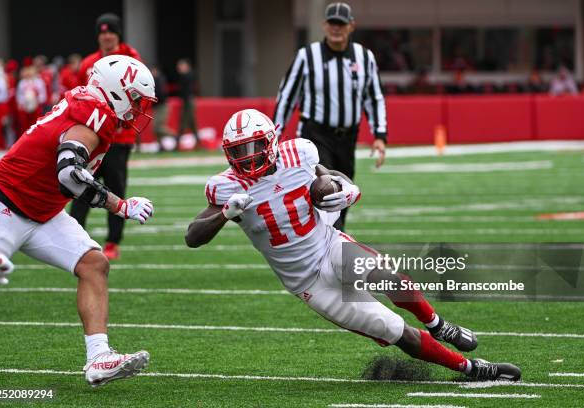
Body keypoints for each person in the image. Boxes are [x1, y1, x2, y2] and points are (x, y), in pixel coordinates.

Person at [186, 109, 521, 382]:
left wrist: (345, 190)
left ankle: (439, 324)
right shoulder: (226, 187)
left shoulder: (299, 153)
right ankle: (471, 369)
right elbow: (193, 236)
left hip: (329, 245)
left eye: (253, 146)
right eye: (238, 151)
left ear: (271, 141)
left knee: (390, 279)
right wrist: (224, 215)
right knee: (395, 331)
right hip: (309, 284)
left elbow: (328, 177)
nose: (247, 157)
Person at [0, 54, 157, 386]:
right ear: (116, 90)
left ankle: (99, 358)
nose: (137, 109)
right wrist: (121, 206)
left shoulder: (92, 106)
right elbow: (70, 176)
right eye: (134, 98)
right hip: (5, 201)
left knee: (93, 264)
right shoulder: (95, 113)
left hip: (43, 211)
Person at [273, 2, 387, 231]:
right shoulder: (307, 56)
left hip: (347, 137)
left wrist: (380, 135)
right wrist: (275, 133)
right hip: (315, 134)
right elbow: (287, 96)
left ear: (351, 26)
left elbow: (374, 97)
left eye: (341, 24)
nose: (337, 28)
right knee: (323, 187)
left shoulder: (364, 57)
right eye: (333, 23)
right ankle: (328, 238)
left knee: (344, 188)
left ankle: (335, 234)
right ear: (324, 25)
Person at [71, 13, 141, 260]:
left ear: (118, 34)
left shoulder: (130, 57)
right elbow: (79, 96)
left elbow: (139, 95)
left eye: (111, 31)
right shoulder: (88, 62)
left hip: (118, 138)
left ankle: (113, 242)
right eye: (103, 32)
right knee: (80, 184)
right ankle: (73, 236)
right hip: (92, 136)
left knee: (116, 188)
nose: (107, 36)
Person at [176, 58, 199, 143]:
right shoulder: (183, 76)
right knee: (192, 123)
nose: (180, 68)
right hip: (186, 101)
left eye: (181, 66)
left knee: (184, 122)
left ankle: (177, 141)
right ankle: (198, 142)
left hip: (189, 102)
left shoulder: (189, 75)